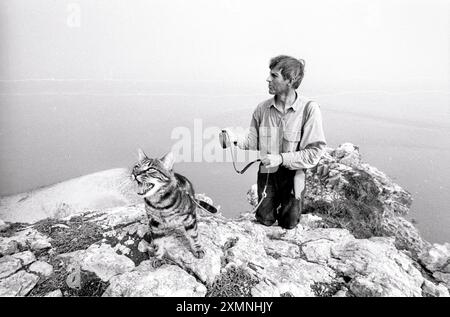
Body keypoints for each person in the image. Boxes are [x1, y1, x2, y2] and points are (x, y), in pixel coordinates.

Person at [222, 55, 326, 229]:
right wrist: (233, 138)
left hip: (294, 175)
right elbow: (252, 142)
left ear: (290, 80)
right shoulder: (262, 109)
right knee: (264, 220)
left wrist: (281, 159)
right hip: (267, 174)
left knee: (289, 222)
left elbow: (314, 153)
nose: (268, 79)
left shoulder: (309, 109)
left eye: (274, 75)